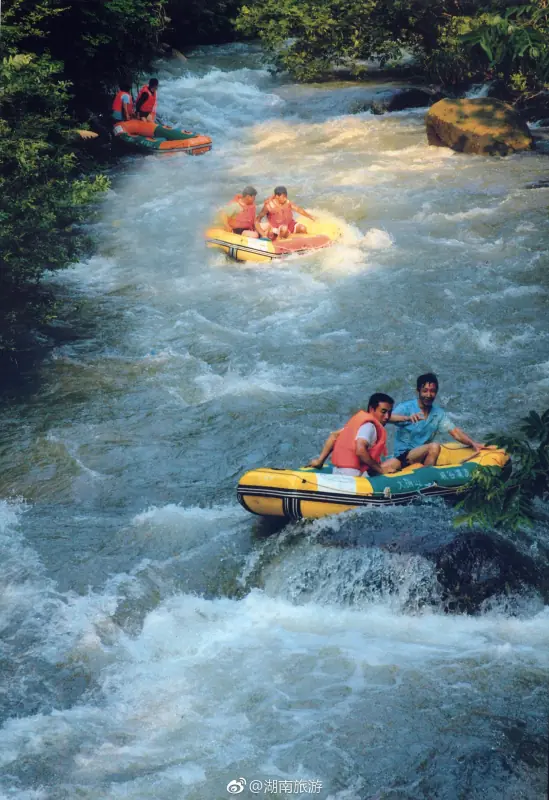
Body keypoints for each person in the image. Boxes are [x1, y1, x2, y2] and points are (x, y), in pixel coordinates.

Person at [381, 372, 485, 472]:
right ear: (418, 391)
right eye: (425, 391)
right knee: (434, 446)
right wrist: (407, 418)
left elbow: (455, 432)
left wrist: (473, 443)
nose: (429, 395)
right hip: (403, 456)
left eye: (432, 391)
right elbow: (387, 418)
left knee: (433, 448)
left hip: (424, 457)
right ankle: (425, 476)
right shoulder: (406, 407)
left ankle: (426, 476)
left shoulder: (438, 413)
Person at [307, 393, 413, 476]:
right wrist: (381, 470)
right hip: (354, 477)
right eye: (383, 412)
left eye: (389, 413)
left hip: (338, 472)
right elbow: (360, 450)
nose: (387, 417)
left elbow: (333, 436)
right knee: (396, 463)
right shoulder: (369, 427)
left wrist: (320, 461)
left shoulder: (357, 423)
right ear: (372, 409)